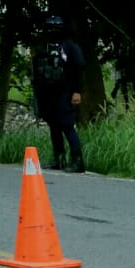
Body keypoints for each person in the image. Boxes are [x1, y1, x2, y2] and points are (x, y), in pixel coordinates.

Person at [31, 16, 85, 173]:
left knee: (67, 125)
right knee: (54, 126)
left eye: (56, 28)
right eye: (50, 28)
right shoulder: (43, 48)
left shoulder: (70, 47)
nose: (52, 32)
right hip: (48, 94)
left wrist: (77, 91)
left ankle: (77, 161)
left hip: (65, 92)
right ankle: (59, 159)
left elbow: (78, 69)